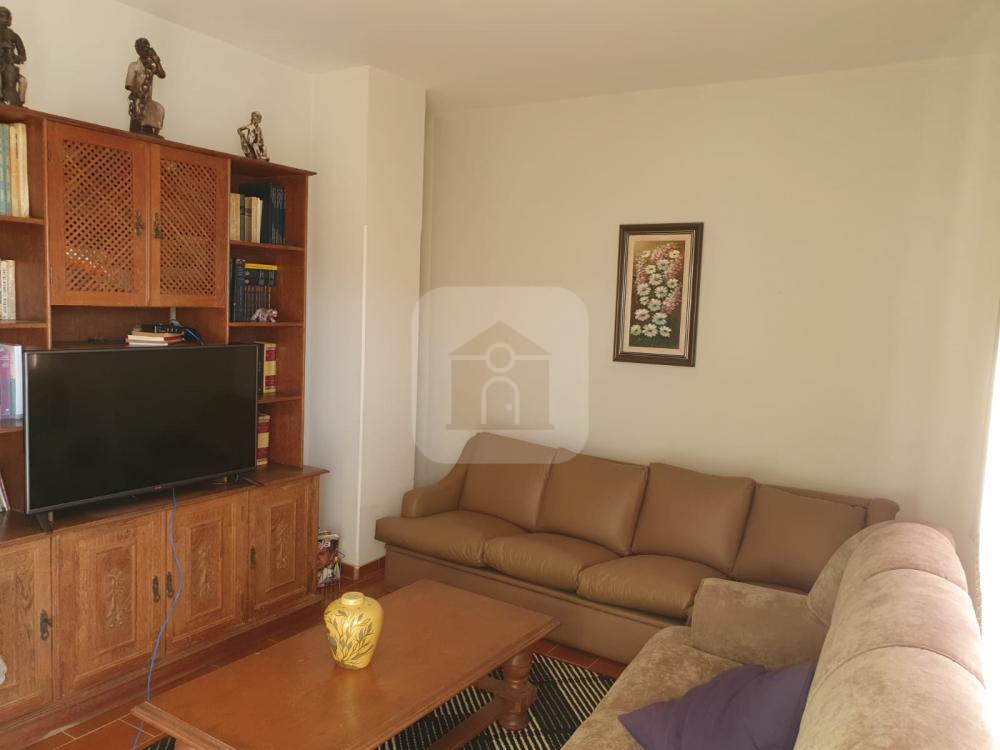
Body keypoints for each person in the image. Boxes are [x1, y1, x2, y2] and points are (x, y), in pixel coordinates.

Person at [125, 38, 166, 135]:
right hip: (138, 98)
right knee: (142, 109)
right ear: (138, 51)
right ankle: (142, 129)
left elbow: (162, 75)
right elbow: (129, 85)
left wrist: (157, 60)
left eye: (147, 47)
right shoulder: (134, 65)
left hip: (148, 100)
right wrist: (138, 93)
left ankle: (155, 134)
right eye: (143, 48)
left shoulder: (150, 66)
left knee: (159, 109)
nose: (146, 50)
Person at [0, 7, 26, 106]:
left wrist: (14, 57)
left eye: (5, 17)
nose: (3, 20)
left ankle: (19, 103)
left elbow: (23, 56)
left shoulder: (14, 36)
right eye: (1, 16)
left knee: (22, 82)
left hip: (9, 65)